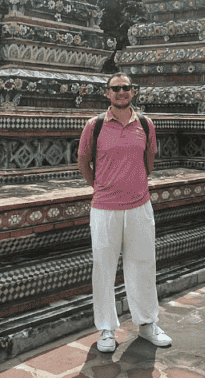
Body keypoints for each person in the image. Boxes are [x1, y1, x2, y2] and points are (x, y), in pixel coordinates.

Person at [77, 72, 171, 353]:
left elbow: (149, 161)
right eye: (115, 89)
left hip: (140, 205)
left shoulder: (145, 124)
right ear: (107, 93)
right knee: (104, 268)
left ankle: (146, 324)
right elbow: (83, 162)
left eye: (126, 88)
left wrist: (132, 185)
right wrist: (102, 187)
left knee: (143, 264)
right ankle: (106, 328)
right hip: (105, 209)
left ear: (133, 92)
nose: (121, 92)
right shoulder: (94, 126)